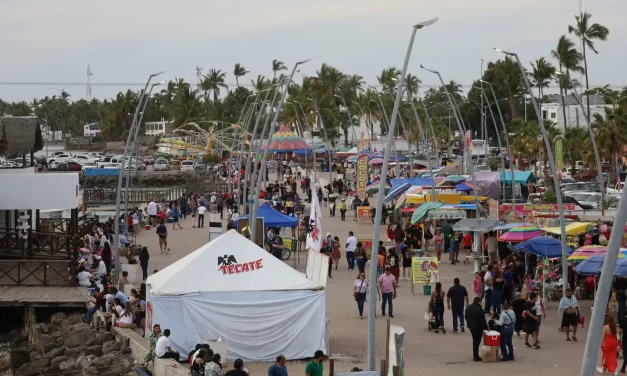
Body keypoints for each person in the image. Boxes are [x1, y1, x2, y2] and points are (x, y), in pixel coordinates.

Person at [465, 297, 489, 361]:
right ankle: (475, 355)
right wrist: (486, 328)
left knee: (475, 340)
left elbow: (466, 316)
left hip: (471, 327)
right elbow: (482, 320)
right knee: (477, 341)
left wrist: (469, 323)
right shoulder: (480, 309)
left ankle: (475, 354)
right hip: (478, 328)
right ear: (479, 302)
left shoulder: (468, 307)